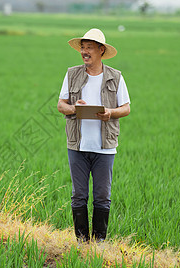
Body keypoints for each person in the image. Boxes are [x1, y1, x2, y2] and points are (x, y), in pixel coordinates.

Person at [57, 28, 131, 243]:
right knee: (78, 195)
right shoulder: (72, 74)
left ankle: (99, 244)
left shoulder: (115, 77)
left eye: (89, 47)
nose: (84, 51)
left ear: (101, 50)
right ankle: (82, 242)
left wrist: (110, 113)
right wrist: (74, 108)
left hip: (104, 148)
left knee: (102, 197)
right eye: (82, 47)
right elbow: (61, 105)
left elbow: (125, 108)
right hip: (77, 146)